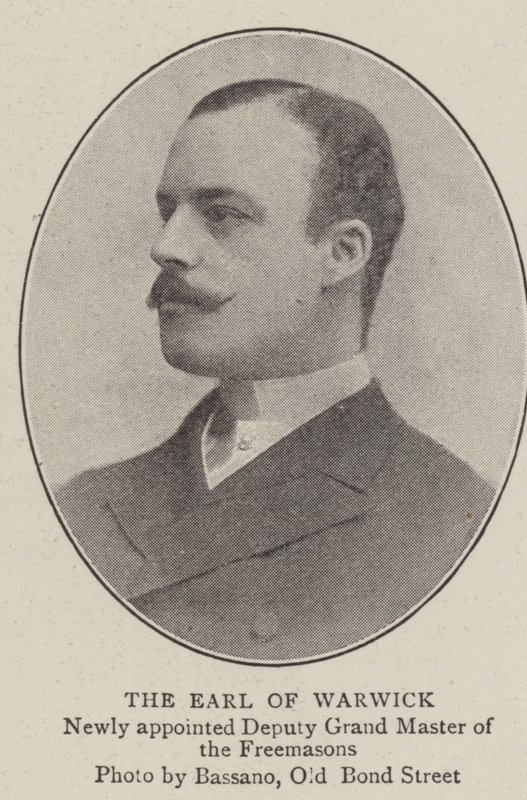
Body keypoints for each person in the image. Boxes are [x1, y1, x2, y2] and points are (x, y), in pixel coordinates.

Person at [56, 79, 494, 660]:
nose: (166, 247)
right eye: (168, 212)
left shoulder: (454, 519)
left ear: (342, 253)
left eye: (223, 215)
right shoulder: (83, 506)